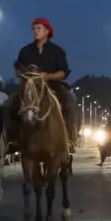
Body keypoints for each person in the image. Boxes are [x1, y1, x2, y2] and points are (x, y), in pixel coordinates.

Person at [14, 17, 77, 151]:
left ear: (47, 31)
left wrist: (48, 76)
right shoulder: (25, 51)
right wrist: (22, 74)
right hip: (30, 87)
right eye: (34, 29)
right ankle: (12, 140)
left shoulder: (57, 51)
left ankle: (69, 139)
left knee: (70, 102)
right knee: (10, 103)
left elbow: (63, 72)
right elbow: (18, 69)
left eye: (39, 28)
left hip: (52, 86)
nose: (35, 31)